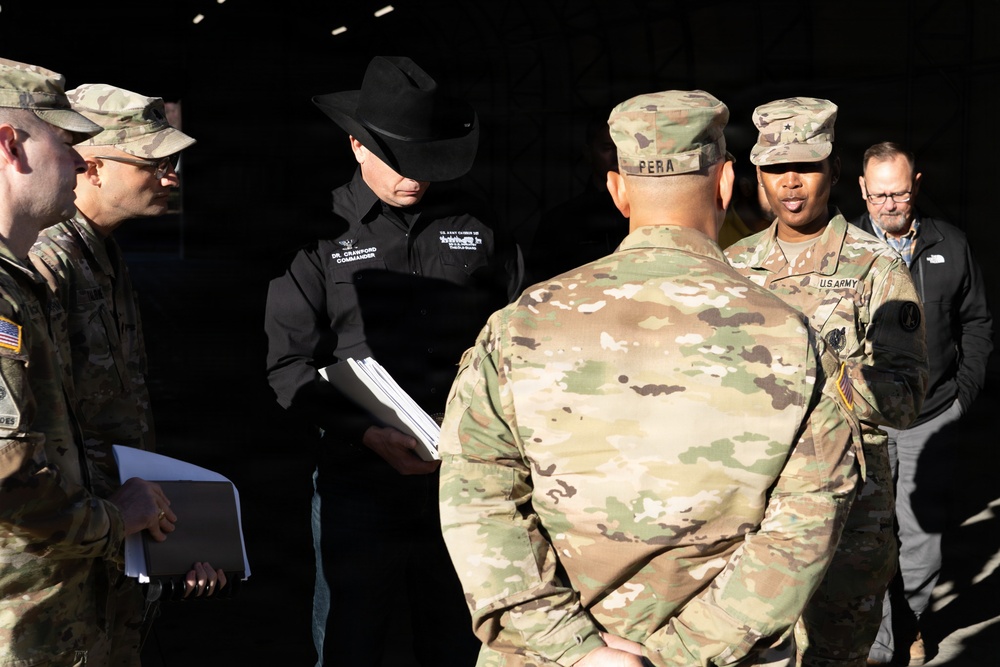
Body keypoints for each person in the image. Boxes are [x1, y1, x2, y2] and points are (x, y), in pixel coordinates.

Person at [438, 89, 862, 666]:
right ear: (726, 183)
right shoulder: (794, 338)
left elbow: (478, 497)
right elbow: (809, 519)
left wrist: (577, 650)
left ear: (617, 190)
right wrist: (680, 653)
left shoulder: (516, 328)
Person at [264, 55, 523, 666]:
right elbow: (288, 367)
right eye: (399, 160)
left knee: (460, 639)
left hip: (465, 480)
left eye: (427, 160)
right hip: (360, 482)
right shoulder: (318, 232)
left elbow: (517, 342)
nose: (415, 178)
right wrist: (367, 434)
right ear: (356, 145)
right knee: (353, 639)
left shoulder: (479, 224)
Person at [0, 57, 204, 666]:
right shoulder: (44, 261)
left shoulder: (85, 258)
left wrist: (156, 529)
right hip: (35, 594)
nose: (172, 177)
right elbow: (13, 464)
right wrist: (119, 526)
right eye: (67, 144)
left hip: (79, 569)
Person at [725, 99, 929, 667]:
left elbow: (906, 397)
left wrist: (811, 375)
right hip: (753, 512)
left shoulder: (876, 268)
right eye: (774, 168)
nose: (790, 183)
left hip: (849, 515)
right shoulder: (733, 268)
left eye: (806, 166)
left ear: (834, 172)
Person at [854, 142, 993, 666]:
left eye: (900, 194)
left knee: (920, 538)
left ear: (917, 185)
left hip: (930, 419)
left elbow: (976, 322)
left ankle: (903, 628)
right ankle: (868, 633)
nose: (889, 205)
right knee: (864, 534)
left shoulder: (950, 245)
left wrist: (962, 396)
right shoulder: (839, 250)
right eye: (879, 194)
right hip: (862, 421)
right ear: (863, 189)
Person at [526, 114, 628, 282]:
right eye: (608, 148)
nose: (617, 157)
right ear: (588, 153)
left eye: (623, 149)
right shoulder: (561, 221)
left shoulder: (648, 215)